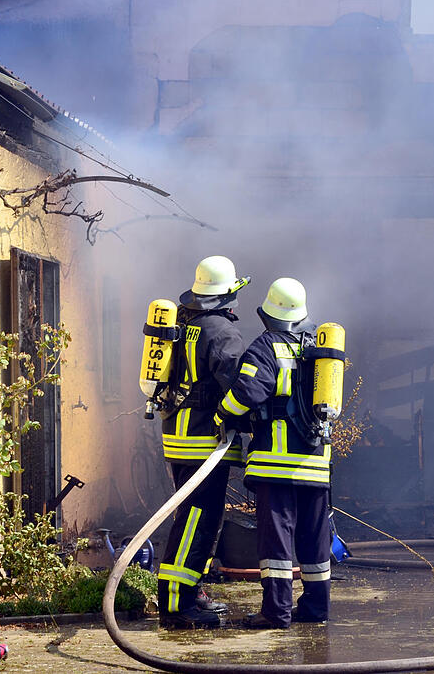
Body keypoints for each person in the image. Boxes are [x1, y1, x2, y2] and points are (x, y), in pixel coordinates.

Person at [214, 277, 332, 629]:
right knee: (315, 539)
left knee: (277, 540)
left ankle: (276, 612)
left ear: (269, 313)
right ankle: (316, 608)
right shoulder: (318, 349)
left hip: (276, 465)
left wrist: (223, 413)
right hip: (316, 463)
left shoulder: (266, 347)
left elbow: (247, 392)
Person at [156, 256, 250, 630]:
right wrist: (252, 419)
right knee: (197, 519)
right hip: (202, 442)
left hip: (178, 437)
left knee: (192, 515)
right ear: (227, 296)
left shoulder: (185, 322)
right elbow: (237, 387)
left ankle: (190, 591)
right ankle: (177, 606)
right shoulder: (222, 332)